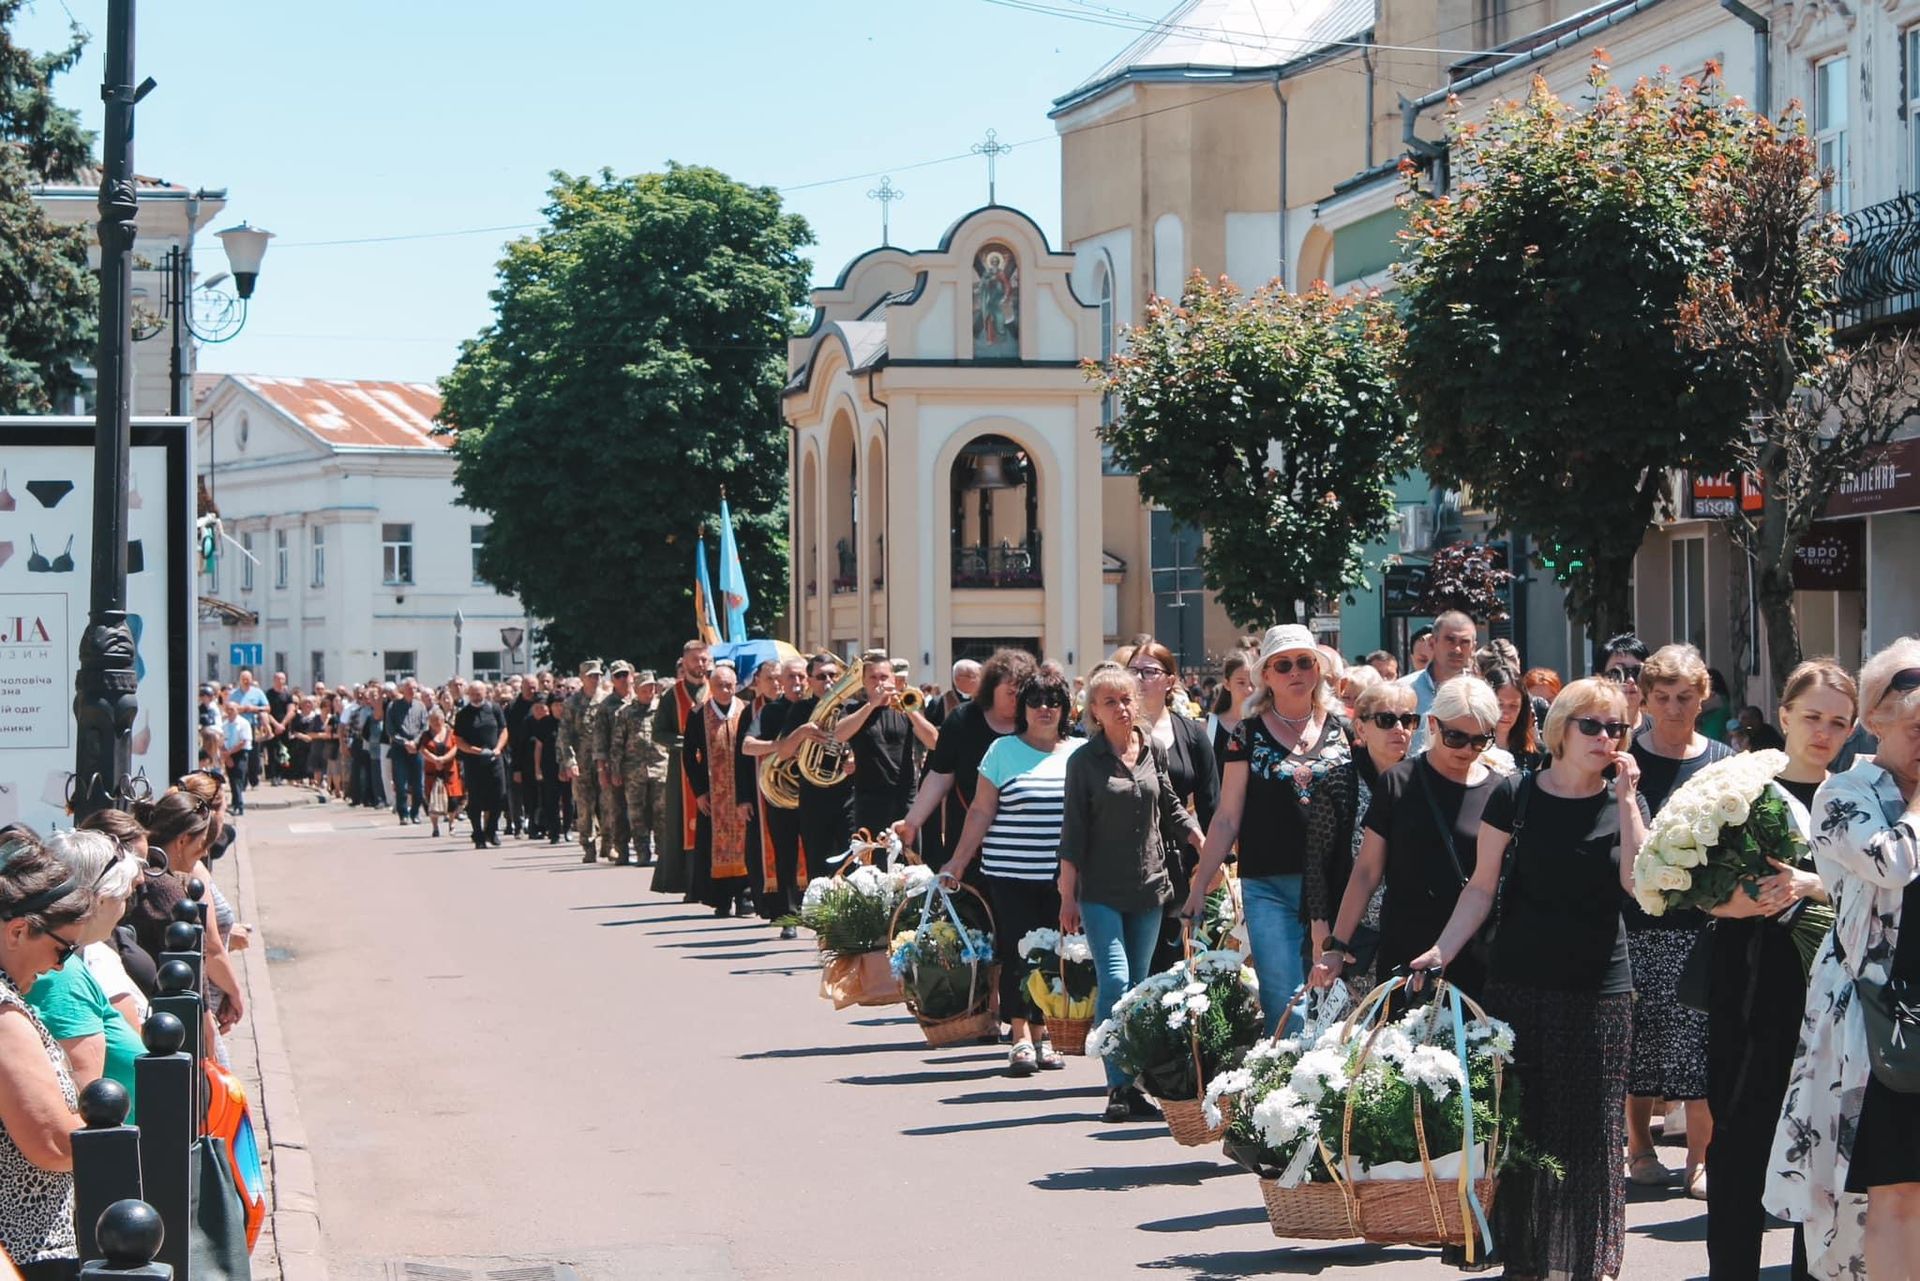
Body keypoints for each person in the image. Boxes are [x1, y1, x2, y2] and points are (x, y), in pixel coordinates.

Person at [1407, 678, 1647, 1281]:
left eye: (1615, 727)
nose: (1604, 737)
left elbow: (1640, 886)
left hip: (1599, 990)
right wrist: (1440, 950)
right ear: (1561, 729)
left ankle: (1584, 1263)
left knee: (1591, 1137)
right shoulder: (1514, 794)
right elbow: (1481, 887)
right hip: (1519, 984)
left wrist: (1626, 801)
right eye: (1590, 725)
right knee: (1521, 1127)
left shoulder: (1623, 804)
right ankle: (1525, 1260)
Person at [1767, 638, 1920, 1281]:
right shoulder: (1845, 795)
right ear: (1878, 719)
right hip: (1883, 1025)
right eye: (1917, 726)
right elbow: (1894, 862)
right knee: (1896, 1191)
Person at [1703, 660, 1853, 1281]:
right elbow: (1696, 888)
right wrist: (1738, 900)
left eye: (1839, 723)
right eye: (1813, 716)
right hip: (1754, 985)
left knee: (1821, 1153)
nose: (1824, 732)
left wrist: (1812, 885)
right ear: (1784, 715)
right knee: (1741, 1141)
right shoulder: (1741, 793)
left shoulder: (1858, 797)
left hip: (1836, 997)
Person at [1186, 624, 1354, 1034]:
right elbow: (1227, 816)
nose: (1295, 671)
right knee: (1284, 996)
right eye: (1283, 665)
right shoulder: (1248, 733)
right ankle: (1287, 1091)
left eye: (1304, 662)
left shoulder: (1344, 730)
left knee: (1334, 996)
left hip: (1335, 885)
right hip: (1268, 881)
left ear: (1317, 669)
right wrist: (1199, 883)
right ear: (1266, 676)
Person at [1058, 665, 1204, 1122]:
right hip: (1100, 890)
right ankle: (1117, 1088)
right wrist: (1067, 896)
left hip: (1150, 886)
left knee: (1139, 989)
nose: (1121, 708)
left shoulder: (1152, 749)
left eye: (1126, 699)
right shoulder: (1084, 761)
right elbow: (1073, 832)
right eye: (1109, 702)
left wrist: (1200, 839)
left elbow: (1171, 805)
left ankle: (1135, 1081)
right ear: (1093, 713)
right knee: (1117, 982)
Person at [1314, 675, 1506, 1001]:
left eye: (1479, 740)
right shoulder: (1399, 783)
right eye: (1456, 737)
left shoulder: (1500, 791)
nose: (1467, 750)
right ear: (1433, 724)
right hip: (1406, 944)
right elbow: (1366, 872)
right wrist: (1336, 945)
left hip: (1475, 949)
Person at [1625, 644, 1730, 1197]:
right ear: (1644, 699)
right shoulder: (1626, 758)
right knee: (1640, 1038)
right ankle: (1640, 1146)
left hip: (1701, 920)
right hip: (1636, 921)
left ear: (1702, 697)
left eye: (1684, 697)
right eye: (1661, 697)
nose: (1672, 708)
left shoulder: (1719, 761)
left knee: (1698, 1038)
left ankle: (1699, 1158)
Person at [937, 670, 1079, 1076]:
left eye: (1053, 701)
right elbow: (981, 810)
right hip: (1009, 871)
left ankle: (1046, 1032)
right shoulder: (1002, 750)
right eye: (1035, 701)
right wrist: (958, 861)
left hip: (1063, 876)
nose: (1045, 709)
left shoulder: (1081, 752)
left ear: (1065, 708)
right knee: (1018, 952)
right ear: (1023, 709)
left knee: (1056, 953)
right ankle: (1019, 1035)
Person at [0, 826, 98, 1279]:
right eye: (62, 950)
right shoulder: (3, 1019)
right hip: (26, 1249)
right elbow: (55, 1144)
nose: (61, 966)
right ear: (18, 930)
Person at [1115, 637, 1219, 968]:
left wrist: (1213, 861)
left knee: (1175, 960)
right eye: (1133, 671)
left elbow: (1211, 804)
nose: (1139, 678)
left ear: (1170, 680)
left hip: (1180, 861)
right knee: (1131, 964)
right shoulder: (1112, 733)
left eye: (1149, 671)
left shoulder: (1192, 734)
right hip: (1124, 860)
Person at [25, 831, 142, 1121]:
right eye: (124, 897)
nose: (124, 910)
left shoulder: (70, 961)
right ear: (100, 901)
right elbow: (83, 1110)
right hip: (115, 1157)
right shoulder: (62, 974)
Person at [895, 649, 1033, 874]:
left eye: (1024, 693)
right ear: (991, 688)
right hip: (968, 845)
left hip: (1024, 847)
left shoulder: (1036, 724)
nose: (1018, 700)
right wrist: (912, 822)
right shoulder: (962, 720)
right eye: (1010, 693)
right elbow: (940, 775)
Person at [833, 651, 938, 841]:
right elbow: (839, 734)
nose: (879, 682)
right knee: (872, 863)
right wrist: (871, 705)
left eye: (884, 677)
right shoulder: (853, 710)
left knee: (910, 862)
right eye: (873, 677)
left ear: (893, 679)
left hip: (905, 797)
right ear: (864, 682)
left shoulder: (905, 708)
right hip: (869, 799)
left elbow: (933, 742)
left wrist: (911, 711)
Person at [685, 661, 751, 917]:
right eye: (720, 685)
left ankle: (745, 895)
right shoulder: (698, 714)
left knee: (746, 842)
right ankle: (720, 898)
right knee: (714, 844)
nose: (725, 690)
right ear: (711, 687)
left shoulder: (744, 711)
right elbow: (689, 755)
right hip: (713, 793)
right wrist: (699, 792)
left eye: (729, 685)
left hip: (742, 792)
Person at [653, 643, 712, 896]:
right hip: (681, 771)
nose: (700, 665)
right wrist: (684, 744)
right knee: (683, 825)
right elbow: (658, 732)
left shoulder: (717, 690)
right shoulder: (672, 696)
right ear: (685, 662)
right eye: (695, 660)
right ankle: (687, 883)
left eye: (704, 660)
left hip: (714, 769)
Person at [790, 652, 854, 882]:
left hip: (848, 797)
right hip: (813, 798)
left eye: (833, 675)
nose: (828, 680)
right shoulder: (800, 710)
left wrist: (854, 757)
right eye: (821, 676)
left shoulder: (854, 708)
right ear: (809, 680)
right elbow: (783, 752)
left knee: (851, 862)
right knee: (817, 866)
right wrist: (801, 733)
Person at [607, 670, 667, 868]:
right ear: (636, 689)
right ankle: (642, 851)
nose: (649, 691)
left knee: (661, 812)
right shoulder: (625, 713)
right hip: (633, 772)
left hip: (660, 769)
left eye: (652, 687)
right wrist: (614, 770)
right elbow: (616, 745)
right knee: (637, 814)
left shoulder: (662, 710)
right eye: (644, 688)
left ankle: (663, 851)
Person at [1399, 611, 1478, 755]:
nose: (1457, 649)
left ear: (1473, 648)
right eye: (1450, 640)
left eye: (1465, 642)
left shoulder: (1480, 695)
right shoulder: (1403, 690)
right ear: (1432, 643)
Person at [559, 660, 612, 863]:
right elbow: (565, 735)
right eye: (591, 675)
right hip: (581, 762)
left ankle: (608, 844)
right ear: (582, 678)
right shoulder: (572, 703)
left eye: (598, 675)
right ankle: (588, 846)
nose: (595, 679)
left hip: (604, 761)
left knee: (608, 805)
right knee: (584, 807)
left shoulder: (607, 701)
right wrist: (569, 761)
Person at [453, 677, 508, 849]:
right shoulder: (463, 714)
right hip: (474, 762)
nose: (477, 697)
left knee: (499, 796)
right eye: (474, 694)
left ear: (485, 693)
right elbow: (458, 739)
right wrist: (472, 750)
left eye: (480, 693)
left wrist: (499, 748)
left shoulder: (494, 709)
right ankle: (478, 834)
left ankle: (491, 830)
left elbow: (504, 730)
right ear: (469, 694)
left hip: (494, 759)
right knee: (475, 799)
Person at [595, 662, 639, 862]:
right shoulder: (606, 706)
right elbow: (600, 740)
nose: (622, 679)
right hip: (617, 766)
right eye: (617, 675)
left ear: (632, 675)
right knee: (618, 809)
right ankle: (622, 849)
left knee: (642, 810)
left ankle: (644, 848)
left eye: (625, 674)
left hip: (641, 765)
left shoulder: (641, 700)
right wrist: (602, 769)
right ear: (612, 679)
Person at [1483, 664, 1542, 776]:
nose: (1505, 713)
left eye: (1513, 705)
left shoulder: (1535, 753)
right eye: (1499, 704)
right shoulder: (1472, 746)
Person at [385, 678, 428, 826]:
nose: (412, 691)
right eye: (409, 688)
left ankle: (415, 812)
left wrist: (415, 742)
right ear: (403, 689)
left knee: (418, 786)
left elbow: (424, 727)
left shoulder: (421, 706)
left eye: (415, 688)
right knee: (401, 784)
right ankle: (403, 814)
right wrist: (404, 742)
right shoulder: (393, 706)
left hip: (416, 749)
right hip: (399, 749)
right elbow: (390, 729)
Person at [1206, 652, 1256, 776]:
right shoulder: (1210, 727)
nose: (1248, 690)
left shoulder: (1266, 726)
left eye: (1253, 684)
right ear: (1227, 684)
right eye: (1241, 682)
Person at [505, 677, 541, 839]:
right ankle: (517, 823)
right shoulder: (513, 707)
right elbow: (509, 734)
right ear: (522, 688)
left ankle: (534, 822)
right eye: (529, 688)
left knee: (536, 792)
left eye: (534, 688)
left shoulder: (541, 704)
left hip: (539, 755)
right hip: (518, 753)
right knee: (516, 790)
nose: (532, 691)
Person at [420, 707, 464, 837]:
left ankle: (451, 824)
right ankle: (435, 827)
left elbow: (456, 747)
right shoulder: (425, 735)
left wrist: (444, 759)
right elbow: (422, 749)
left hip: (449, 770)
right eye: (433, 720)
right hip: (432, 771)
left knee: (453, 799)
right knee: (432, 799)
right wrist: (434, 760)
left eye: (438, 720)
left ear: (443, 719)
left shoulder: (450, 733)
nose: (436, 723)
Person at [1598, 632, 1651, 731]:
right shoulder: (1589, 730)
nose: (1630, 680)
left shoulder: (1659, 731)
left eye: (1638, 672)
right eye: (1617, 672)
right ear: (1600, 678)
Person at [221, 696, 255, 816]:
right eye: (228, 709)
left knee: (238, 779)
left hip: (240, 753)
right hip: (228, 753)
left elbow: (244, 741)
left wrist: (230, 753)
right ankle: (236, 804)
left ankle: (238, 805)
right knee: (232, 779)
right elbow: (222, 741)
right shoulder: (224, 724)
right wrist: (227, 756)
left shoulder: (243, 723)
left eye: (232, 709)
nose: (230, 711)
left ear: (237, 710)